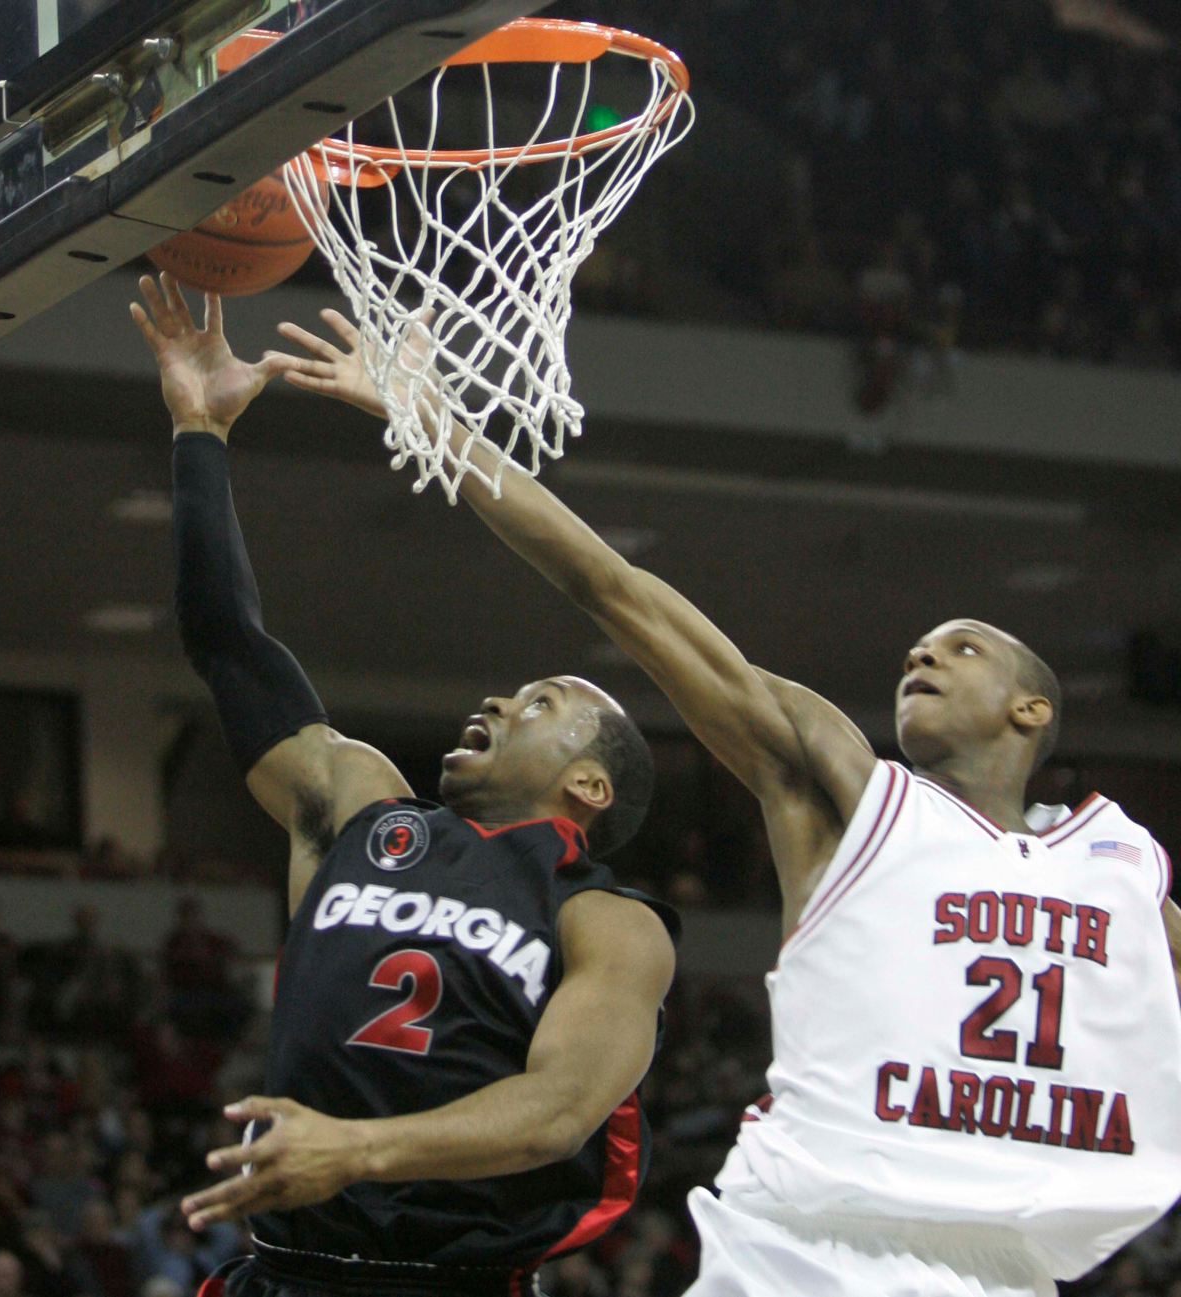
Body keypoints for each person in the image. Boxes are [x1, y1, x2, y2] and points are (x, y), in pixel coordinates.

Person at [271, 305, 1181, 1297]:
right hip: (815, 1252)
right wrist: (437, 422)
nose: (923, 652)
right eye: (921, 643)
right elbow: (614, 588)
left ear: (1031, 707)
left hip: (1007, 1269)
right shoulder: (848, 793)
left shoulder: (1124, 868)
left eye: (964, 647)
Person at [128, 274, 677, 1297]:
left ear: (592, 783)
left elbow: (558, 1112)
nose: (502, 701)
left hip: (445, 1279)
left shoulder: (607, 922)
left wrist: (360, 1149)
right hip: (282, 1269)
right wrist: (199, 434)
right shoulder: (360, 806)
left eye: (544, 701)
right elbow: (229, 648)